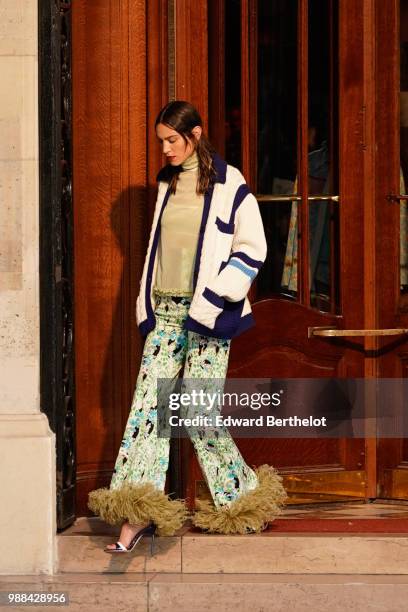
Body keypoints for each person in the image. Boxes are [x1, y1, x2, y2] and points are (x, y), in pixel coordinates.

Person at [87, 100, 287, 553]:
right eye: (160, 141)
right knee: (147, 414)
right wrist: (148, 305)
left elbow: (253, 249)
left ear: (194, 135)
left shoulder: (229, 185)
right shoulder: (165, 185)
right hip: (165, 312)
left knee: (199, 415)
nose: (165, 150)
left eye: (171, 140)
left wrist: (217, 295)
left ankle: (244, 499)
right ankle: (138, 516)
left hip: (209, 316)